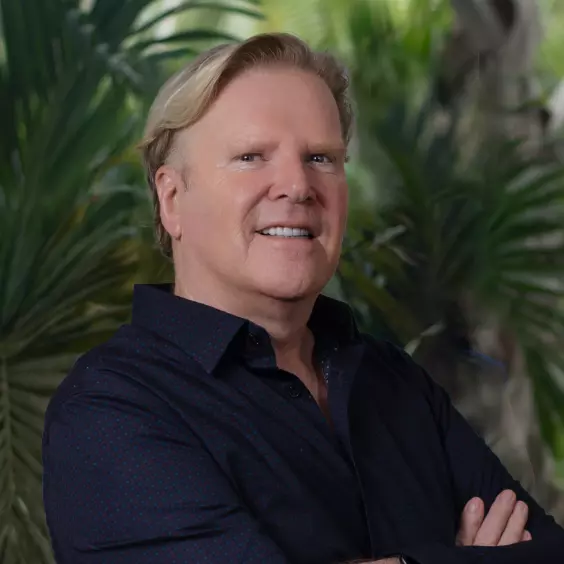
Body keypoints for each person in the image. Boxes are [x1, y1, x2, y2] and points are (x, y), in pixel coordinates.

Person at [42, 33, 564, 564]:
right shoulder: (109, 409)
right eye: (251, 157)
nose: (297, 185)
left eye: (320, 157)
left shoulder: (395, 381)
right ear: (172, 199)